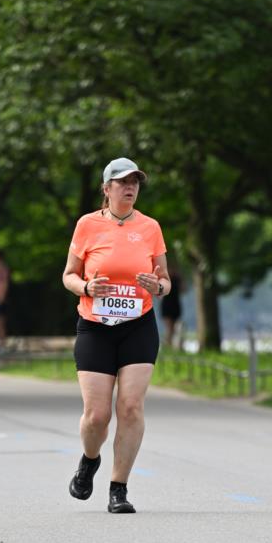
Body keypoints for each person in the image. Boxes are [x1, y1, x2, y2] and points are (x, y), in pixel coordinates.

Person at [62, 157, 171, 513]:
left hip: (138, 325)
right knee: (96, 416)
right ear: (106, 188)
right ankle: (89, 459)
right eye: (122, 182)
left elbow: (165, 280)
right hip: (95, 326)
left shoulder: (151, 227)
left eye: (135, 182)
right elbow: (68, 276)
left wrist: (159, 286)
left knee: (131, 407)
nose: (130, 187)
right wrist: (88, 287)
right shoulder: (87, 225)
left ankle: (118, 488)